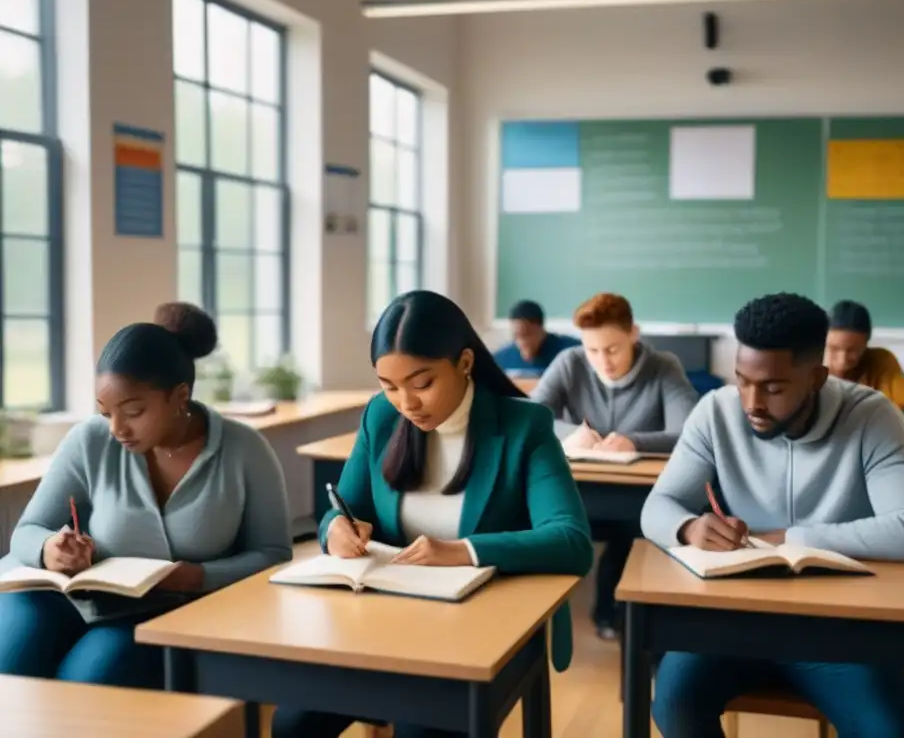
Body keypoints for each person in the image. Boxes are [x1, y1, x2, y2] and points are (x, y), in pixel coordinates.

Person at [272, 290, 593, 738]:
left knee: (421, 730)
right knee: (291, 723)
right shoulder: (381, 418)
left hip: (483, 629)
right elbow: (340, 509)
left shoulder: (525, 426)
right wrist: (336, 530)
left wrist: (462, 551)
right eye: (389, 386)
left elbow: (571, 542)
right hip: (385, 623)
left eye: (422, 384)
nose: (406, 403)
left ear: (464, 363)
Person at [642, 292, 904, 738]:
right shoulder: (717, 411)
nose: (752, 402)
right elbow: (656, 507)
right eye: (743, 380)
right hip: (732, 621)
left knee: (888, 732)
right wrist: (688, 527)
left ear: (817, 377)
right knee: (673, 705)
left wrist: (787, 538)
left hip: (840, 630)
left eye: (774, 388)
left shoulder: (872, 416)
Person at [0, 302, 293, 688]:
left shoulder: (244, 451)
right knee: (12, 664)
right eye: (106, 413)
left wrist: (200, 578)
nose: (117, 429)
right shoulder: (89, 440)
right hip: (59, 599)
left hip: (154, 614)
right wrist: (50, 548)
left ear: (180, 396)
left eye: (133, 411)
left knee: (87, 682)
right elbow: (26, 531)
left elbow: (274, 555)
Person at [530, 292, 699, 640]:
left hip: (640, 495)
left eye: (612, 349)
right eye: (593, 350)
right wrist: (572, 434)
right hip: (579, 488)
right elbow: (532, 417)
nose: (602, 361)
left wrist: (634, 440)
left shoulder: (663, 366)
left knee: (635, 533)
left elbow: (688, 431)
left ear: (634, 334)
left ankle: (627, 622)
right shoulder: (570, 362)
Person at [826, 300, 904, 409]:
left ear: (866, 344)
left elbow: (895, 410)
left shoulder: (882, 362)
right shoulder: (810, 366)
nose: (842, 360)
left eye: (852, 350)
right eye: (833, 348)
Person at [492, 299, 580, 377]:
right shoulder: (501, 358)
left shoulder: (571, 351)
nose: (522, 342)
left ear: (541, 329)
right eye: (516, 336)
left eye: (527, 335)